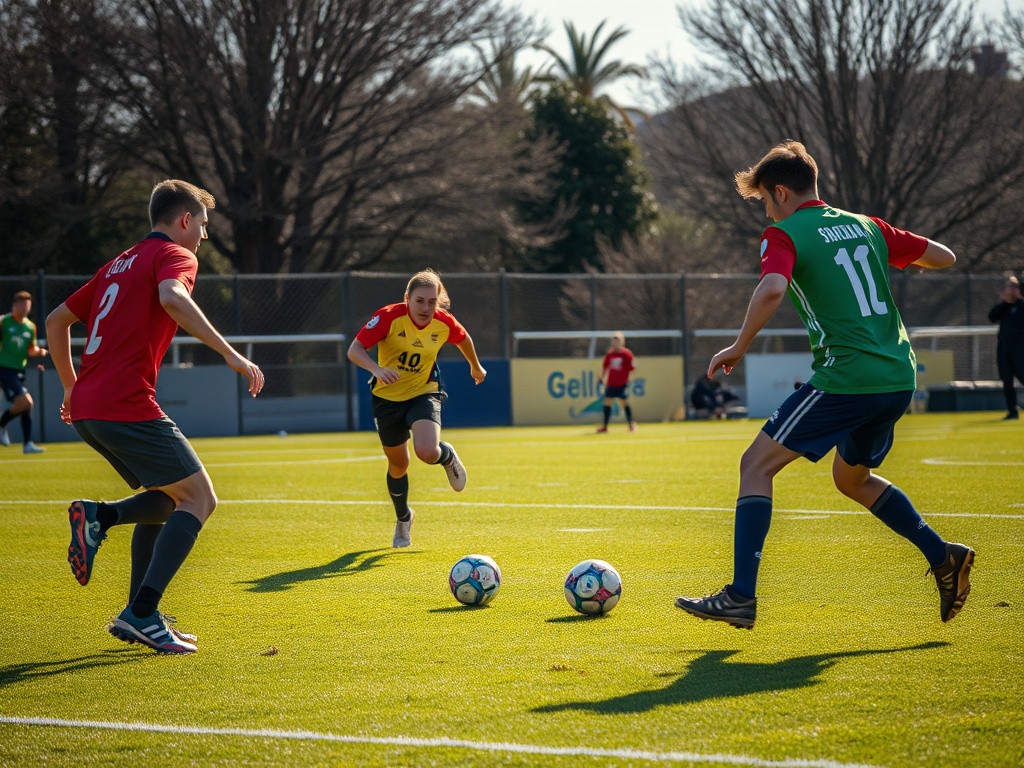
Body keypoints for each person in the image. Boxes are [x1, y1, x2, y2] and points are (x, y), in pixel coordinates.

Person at [675, 140, 973, 630]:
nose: (767, 214)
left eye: (766, 203)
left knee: (755, 464)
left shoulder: (784, 234)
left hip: (848, 376)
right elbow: (944, 256)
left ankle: (740, 597)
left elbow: (772, 288)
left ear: (781, 193)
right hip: (897, 376)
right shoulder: (867, 226)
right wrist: (892, 255)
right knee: (851, 479)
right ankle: (943, 556)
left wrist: (738, 346)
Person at [46, 180, 265, 655]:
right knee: (201, 499)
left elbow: (55, 321)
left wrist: (69, 385)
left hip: (91, 407)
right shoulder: (177, 256)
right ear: (184, 220)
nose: (204, 236)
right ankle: (138, 600)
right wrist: (230, 354)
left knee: (167, 498)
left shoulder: (116, 263)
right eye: (202, 225)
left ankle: (135, 612)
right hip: (125, 403)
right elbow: (172, 298)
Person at [347, 269, 486, 548]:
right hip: (386, 398)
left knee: (426, 451)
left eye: (432, 301)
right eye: (420, 301)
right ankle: (404, 519)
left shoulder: (443, 322)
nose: (426, 308)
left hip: (424, 390)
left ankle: (446, 457)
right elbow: (355, 350)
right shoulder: (388, 317)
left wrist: (475, 365)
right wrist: (377, 369)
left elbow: (463, 338)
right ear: (407, 298)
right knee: (399, 465)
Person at [0, 291, 48, 453]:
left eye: (27, 306)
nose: (24, 309)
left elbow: (31, 350)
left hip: (19, 371)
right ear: (14, 305)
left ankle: (27, 444)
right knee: (27, 402)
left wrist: (39, 351)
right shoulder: (4, 322)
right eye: (21, 305)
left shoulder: (30, 326)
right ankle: (2, 425)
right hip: (3, 369)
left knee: (25, 406)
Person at [988, 275, 1024, 421]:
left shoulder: (1021, 305)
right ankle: (1012, 411)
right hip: (1004, 349)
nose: (1010, 290)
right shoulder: (1004, 307)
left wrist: (1019, 297)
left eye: (1013, 287)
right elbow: (992, 317)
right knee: (1007, 380)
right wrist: (1002, 302)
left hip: (1020, 350)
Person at [597, 332, 636, 432]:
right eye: (614, 341)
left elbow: (632, 367)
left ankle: (631, 424)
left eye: (617, 341)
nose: (615, 343)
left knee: (623, 402)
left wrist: (628, 378)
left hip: (622, 383)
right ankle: (605, 427)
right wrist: (602, 378)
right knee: (607, 402)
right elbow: (605, 367)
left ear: (622, 342)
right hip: (611, 383)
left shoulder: (627, 354)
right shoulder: (610, 354)